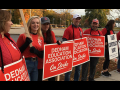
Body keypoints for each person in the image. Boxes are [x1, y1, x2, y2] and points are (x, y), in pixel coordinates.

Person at [17, 16, 44, 81]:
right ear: (29, 25)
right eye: (33, 23)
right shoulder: (23, 36)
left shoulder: (40, 37)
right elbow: (17, 52)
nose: (36, 25)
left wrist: (36, 51)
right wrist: (26, 44)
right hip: (26, 63)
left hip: (36, 64)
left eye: (37, 23)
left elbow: (42, 54)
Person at [38, 17, 61, 81]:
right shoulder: (37, 34)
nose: (46, 26)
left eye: (47, 24)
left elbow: (54, 45)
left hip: (50, 62)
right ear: (40, 25)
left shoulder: (51, 33)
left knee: (52, 79)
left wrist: (57, 43)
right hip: (40, 62)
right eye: (44, 24)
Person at [62, 14, 83, 81]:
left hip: (78, 54)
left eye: (79, 19)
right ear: (73, 19)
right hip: (70, 54)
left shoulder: (80, 29)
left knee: (78, 70)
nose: (77, 20)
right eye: (76, 19)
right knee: (68, 71)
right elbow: (64, 40)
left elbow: (81, 41)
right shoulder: (68, 29)